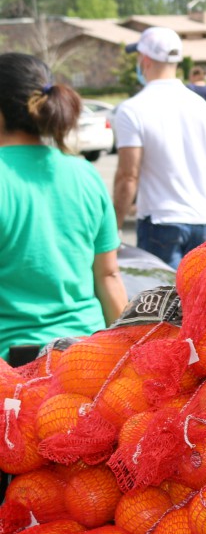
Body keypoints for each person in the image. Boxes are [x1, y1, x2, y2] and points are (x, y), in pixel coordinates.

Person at [0, 53, 128, 362]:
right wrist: (130, 350)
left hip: (12, 369)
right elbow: (108, 276)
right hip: (86, 358)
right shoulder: (84, 173)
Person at [112, 27, 206, 269]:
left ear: (145, 59)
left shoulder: (133, 109)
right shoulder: (204, 108)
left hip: (160, 222)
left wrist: (114, 227)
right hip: (201, 220)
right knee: (196, 302)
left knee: (163, 303)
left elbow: (128, 176)